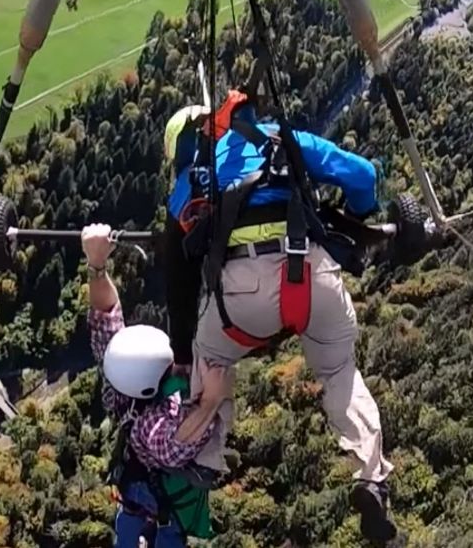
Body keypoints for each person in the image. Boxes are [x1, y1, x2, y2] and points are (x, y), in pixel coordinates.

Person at [160, 94, 401, 545]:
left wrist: (181, 351)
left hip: (241, 299)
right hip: (311, 278)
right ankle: (370, 476)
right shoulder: (282, 139)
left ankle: (205, 454)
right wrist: (361, 212)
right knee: (338, 372)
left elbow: (178, 275)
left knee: (210, 358)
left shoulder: (187, 186)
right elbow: (363, 175)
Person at [82, 223, 231, 547]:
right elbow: (175, 446)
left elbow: (105, 314)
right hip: (163, 512)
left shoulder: (117, 378)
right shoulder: (152, 425)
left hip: (135, 498)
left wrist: (96, 264)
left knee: (127, 537)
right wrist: (210, 402)